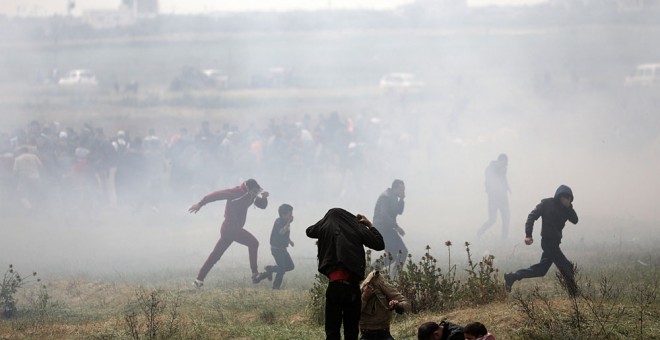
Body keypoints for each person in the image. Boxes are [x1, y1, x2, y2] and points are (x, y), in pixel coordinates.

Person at [306, 208, 385, 340]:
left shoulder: (325, 228)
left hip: (333, 287)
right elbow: (379, 244)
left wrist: (325, 221)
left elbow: (309, 231)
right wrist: (369, 225)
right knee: (351, 331)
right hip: (352, 288)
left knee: (332, 331)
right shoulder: (356, 227)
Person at [189, 178, 269, 288]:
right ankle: (255, 274)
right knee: (254, 243)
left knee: (215, 255)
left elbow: (262, 206)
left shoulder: (251, 195)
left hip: (231, 229)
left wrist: (264, 198)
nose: (255, 194)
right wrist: (200, 203)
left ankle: (199, 280)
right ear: (248, 188)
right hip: (231, 228)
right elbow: (216, 195)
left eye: (257, 192)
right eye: (254, 191)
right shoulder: (236, 192)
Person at [504, 184, 579, 296]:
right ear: (559, 196)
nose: (568, 200)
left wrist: (569, 207)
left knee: (541, 270)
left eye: (570, 198)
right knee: (567, 267)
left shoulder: (566, 209)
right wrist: (528, 234)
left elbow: (575, 220)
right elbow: (531, 216)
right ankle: (575, 298)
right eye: (566, 197)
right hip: (548, 243)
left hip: (555, 244)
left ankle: (512, 276)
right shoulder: (546, 204)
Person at [359, 270, 409, 340]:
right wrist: (364, 297)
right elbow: (353, 313)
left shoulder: (381, 284)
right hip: (366, 333)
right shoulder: (359, 288)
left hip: (383, 331)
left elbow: (405, 304)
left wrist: (396, 305)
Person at [255, 203, 296, 289]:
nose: (291, 216)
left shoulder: (286, 222)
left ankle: (270, 269)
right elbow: (281, 232)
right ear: (283, 214)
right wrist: (288, 222)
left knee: (290, 266)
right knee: (282, 269)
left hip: (283, 249)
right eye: (289, 215)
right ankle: (276, 287)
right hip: (276, 249)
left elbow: (285, 234)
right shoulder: (279, 221)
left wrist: (290, 241)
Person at [373, 180, 407, 267]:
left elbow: (399, 211)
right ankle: (372, 269)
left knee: (402, 252)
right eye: (401, 190)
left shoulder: (394, 196)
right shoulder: (386, 197)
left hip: (388, 229)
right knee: (394, 255)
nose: (403, 192)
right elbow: (384, 215)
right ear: (395, 188)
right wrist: (397, 227)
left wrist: (402, 199)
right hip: (381, 229)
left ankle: (395, 276)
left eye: (404, 190)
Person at [477, 154, 510, 241]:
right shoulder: (490, 169)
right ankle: (479, 232)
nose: (506, 164)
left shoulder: (503, 168)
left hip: (503, 197)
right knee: (492, 219)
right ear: (500, 161)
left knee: (506, 218)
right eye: (505, 162)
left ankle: (504, 240)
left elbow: (503, 179)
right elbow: (489, 182)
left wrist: (507, 187)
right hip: (494, 198)